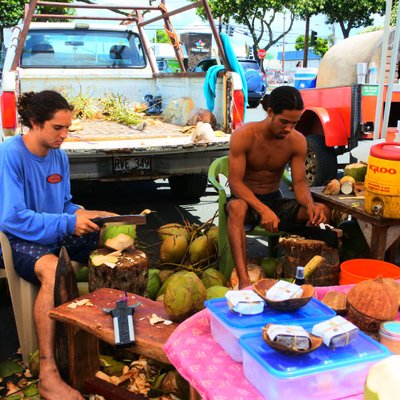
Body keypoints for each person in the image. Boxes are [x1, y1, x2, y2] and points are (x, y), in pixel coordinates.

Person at [0, 90, 118, 400]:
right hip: (17, 240)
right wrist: (68, 222)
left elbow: (63, 205)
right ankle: (48, 373)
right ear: (35, 123)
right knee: (53, 270)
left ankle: (111, 337)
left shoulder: (59, 156)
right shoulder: (10, 155)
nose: (64, 135)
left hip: (53, 232)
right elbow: (13, 219)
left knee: (114, 242)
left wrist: (89, 214)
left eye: (68, 128)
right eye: (57, 128)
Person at [227, 86, 331, 289]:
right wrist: (262, 209)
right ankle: (245, 282)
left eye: (294, 123)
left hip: (275, 200)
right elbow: (236, 183)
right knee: (236, 208)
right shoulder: (244, 135)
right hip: (247, 202)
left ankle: (309, 277)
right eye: (284, 122)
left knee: (323, 212)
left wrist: (310, 206)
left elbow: (300, 183)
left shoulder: (297, 141)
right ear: (270, 111)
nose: (288, 129)